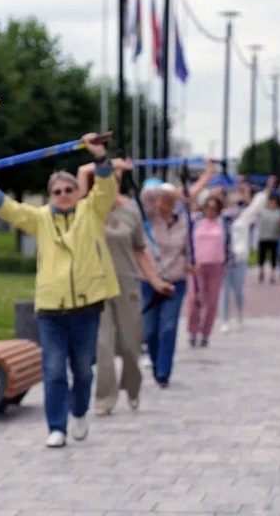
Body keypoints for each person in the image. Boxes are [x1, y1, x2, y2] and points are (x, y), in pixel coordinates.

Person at [0, 135, 118, 448]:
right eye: (57, 191)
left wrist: (101, 157)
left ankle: (78, 412)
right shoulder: (40, 219)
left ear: (78, 192)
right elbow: (10, 209)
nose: (63, 194)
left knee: (82, 370)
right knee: (53, 371)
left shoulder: (91, 212)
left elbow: (106, 188)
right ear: (50, 196)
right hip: (51, 309)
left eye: (69, 190)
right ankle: (56, 427)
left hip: (87, 307)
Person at [75, 162, 174, 416]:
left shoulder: (131, 211)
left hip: (127, 282)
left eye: (115, 176)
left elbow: (140, 251)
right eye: (106, 175)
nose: (111, 178)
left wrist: (156, 281)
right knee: (103, 344)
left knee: (130, 344)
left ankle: (132, 387)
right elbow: (80, 176)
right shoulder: (90, 207)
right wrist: (103, 160)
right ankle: (104, 398)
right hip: (96, 284)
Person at [139, 162, 214, 387]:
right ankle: (155, 361)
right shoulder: (149, 219)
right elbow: (146, 194)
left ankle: (163, 372)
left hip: (176, 280)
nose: (164, 202)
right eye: (162, 197)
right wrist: (171, 190)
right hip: (150, 279)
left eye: (169, 199)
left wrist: (191, 265)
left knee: (169, 326)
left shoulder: (183, 223)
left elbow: (187, 250)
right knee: (150, 330)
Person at [218, 176, 278, 333]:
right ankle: (224, 320)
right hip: (223, 259)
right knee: (224, 291)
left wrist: (269, 186)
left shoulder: (244, 216)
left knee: (237, 290)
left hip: (239, 258)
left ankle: (239, 316)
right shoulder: (219, 217)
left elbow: (259, 202)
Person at [186, 194, 227, 347]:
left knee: (211, 303)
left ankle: (205, 333)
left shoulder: (223, 223)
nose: (211, 211)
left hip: (216, 267)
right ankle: (192, 331)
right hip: (197, 266)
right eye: (208, 207)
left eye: (214, 208)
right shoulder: (195, 221)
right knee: (194, 300)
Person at [257, 193, 280, 284]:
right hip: (263, 237)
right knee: (262, 256)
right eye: (270, 202)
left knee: (273, 257)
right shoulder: (262, 212)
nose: (272, 204)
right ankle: (261, 271)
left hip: (274, 238)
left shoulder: (278, 213)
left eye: (274, 203)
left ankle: (272, 274)